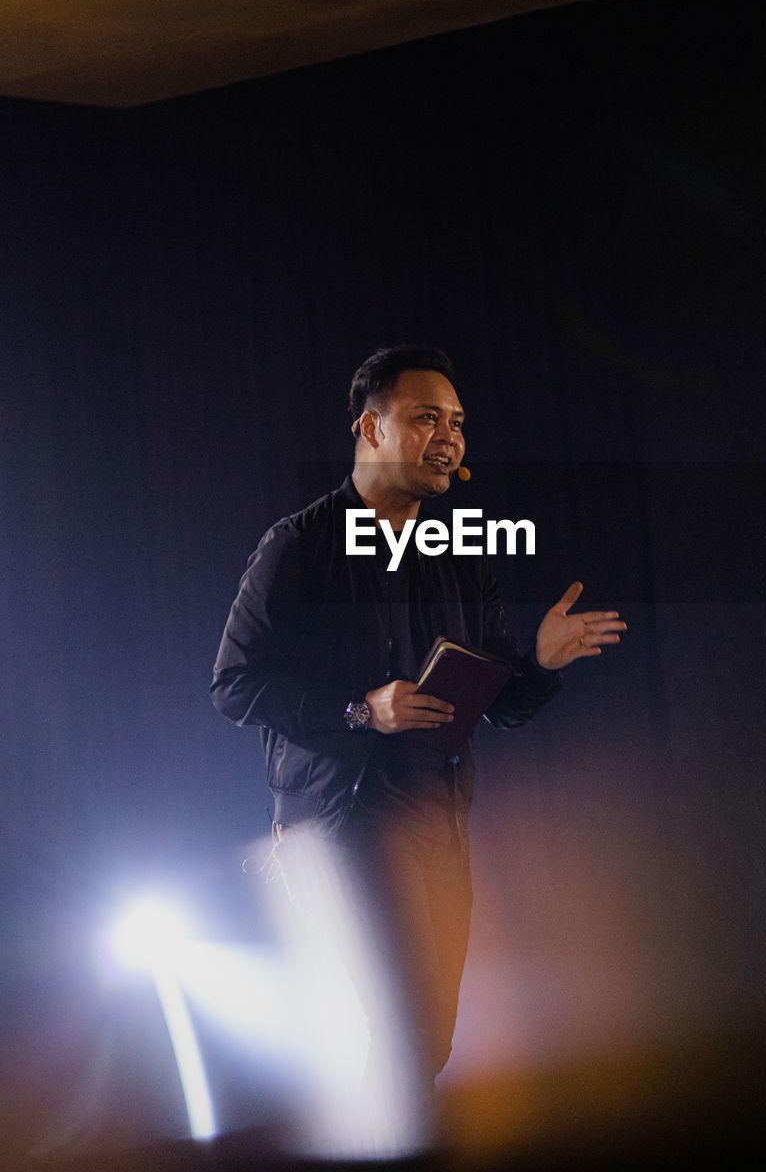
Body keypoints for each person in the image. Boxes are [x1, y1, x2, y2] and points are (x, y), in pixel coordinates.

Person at [210, 345, 625, 1146]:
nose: (450, 438)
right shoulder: (297, 548)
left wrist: (538, 664)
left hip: (438, 819)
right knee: (397, 1034)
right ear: (370, 426)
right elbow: (234, 685)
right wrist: (361, 709)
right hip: (339, 824)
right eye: (427, 417)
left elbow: (500, 705)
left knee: (427, 1039)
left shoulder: (463, 551)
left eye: (459, 424)